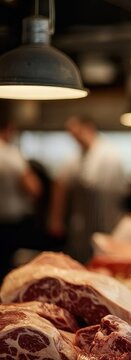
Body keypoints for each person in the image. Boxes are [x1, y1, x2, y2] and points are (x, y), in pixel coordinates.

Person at [48, 115, 129, 264]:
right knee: (81, 261)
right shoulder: (76, 156)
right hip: (82, 223)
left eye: (76, 132)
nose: (74, 138)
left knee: (104, 260)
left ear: (88, 128)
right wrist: (56, 218)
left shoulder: (109, 154)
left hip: (107, 219)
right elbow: (60, 183)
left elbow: (113, 191)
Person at [0, 107, 42, 279]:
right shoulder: (11, 154)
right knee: (11, 275)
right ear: (9, 128)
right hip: (11, 224)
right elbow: (34, 188)